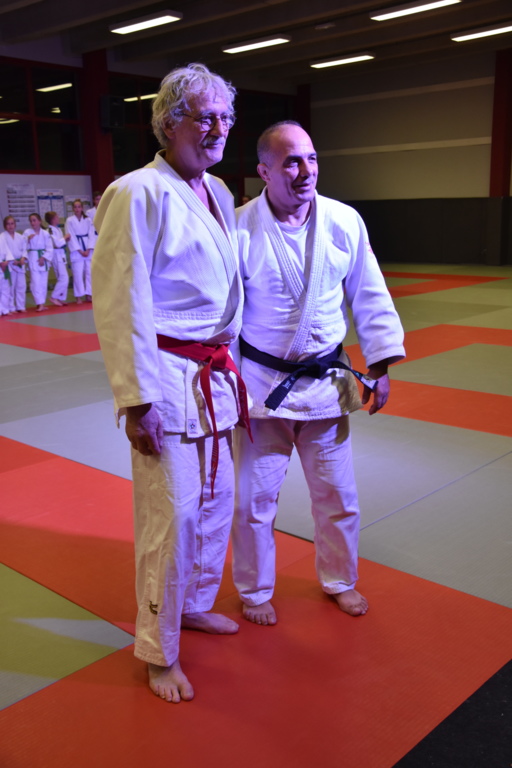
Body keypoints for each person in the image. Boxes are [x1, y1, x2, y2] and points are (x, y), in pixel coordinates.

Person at [92, 63, 246, 704]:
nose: (218, 129)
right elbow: (119, 300)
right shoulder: (136, 192)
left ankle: (195, 604)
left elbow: (227, 294)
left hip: (214, 377)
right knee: (173, 517)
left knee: (215, 502)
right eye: (205, 117)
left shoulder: (218, 193)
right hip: (167, 378)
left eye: (226, 118)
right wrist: (136, 400)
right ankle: (158, 651)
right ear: (168, 122)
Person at [231, 121, 406, 626]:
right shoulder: (239, 228)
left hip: (328, 386)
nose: (305, 170)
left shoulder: (343, 220)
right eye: (291, 161)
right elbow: (227, 316)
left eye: (311, 158)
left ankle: (340, 580)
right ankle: (254, 589)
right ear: (264, 171)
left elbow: (369, 290)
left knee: (338, 497)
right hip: (261, 389)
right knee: (253, 502)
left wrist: (379, 364)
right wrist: (228, 385)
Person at [24, 213, 53, 312]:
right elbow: (22, 247)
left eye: (34, 220)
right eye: (31, 221)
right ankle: (39, 303)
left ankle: (42, 303)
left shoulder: (45, 233)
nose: (32, 223)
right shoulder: (27, 233)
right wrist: (28, 240)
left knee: (43, 283)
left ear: (40, 221)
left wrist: (43, 258)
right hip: (33, 258)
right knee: (35, 283)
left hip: (43, 259)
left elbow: (50, 248)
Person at [65, 199, 92, 304]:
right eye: (75, 207)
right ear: (72, 209)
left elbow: (92, 235)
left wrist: (88, 249)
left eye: (79, 207)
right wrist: (80, 251)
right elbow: (70, 236)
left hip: (88, 248)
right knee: (77, 273)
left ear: (82, 208)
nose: (77, 209)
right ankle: (78, 296)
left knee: (89, 273)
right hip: (77, 250)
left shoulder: (88, 220)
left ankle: (89, 294)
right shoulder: (69, 220)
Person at [0, 216, 27, 313]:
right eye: (8, 224)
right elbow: (5, 251)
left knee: (21, 286)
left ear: (15, 225)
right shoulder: (2, 237)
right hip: (10, 265)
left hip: (20, 264)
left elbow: (25, 249)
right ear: (4, 226)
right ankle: (11, 307)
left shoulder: (20, 236)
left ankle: (21, 306)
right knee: (10, 287)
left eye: (12, 223)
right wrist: (12, 261)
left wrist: (23, 258)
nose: (10, 226)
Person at [45, 211, 70, 307]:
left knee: (61, 277)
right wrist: (65, 237)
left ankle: (60, 297)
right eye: (57, 217)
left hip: (61, 254)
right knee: (64, 277)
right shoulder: (50, 230)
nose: (58, 218)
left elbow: (60, 242)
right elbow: (57, 243)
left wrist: (65, 239)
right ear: (52, 220)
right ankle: (54, 297)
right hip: (56, 254)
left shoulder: (58, 229)